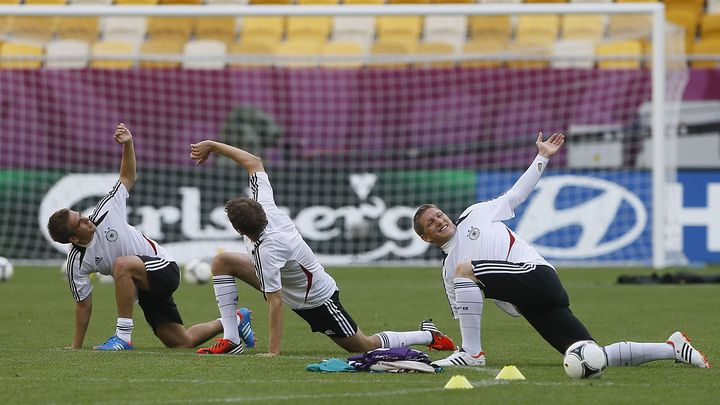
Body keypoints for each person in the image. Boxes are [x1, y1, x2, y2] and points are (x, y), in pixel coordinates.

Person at [413, 132, 711, 369]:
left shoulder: (474, 214)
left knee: (466, 269)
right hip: (530, 301)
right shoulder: (449, 271)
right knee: (589, 354)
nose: (439, 220)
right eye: (431, 222)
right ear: (426, 237)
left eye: (438, 215)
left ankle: (472, 355)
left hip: (538, 276)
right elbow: (470, 306)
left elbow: (516, 194)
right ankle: (672, 348)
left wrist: (541, 157)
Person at [190, 140, 456, 356]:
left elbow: (276, 302)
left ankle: (427, 334)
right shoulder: (265, 205)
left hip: (316, 299)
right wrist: (213, 145)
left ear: (238, 231)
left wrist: (273, 351)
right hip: (283, 281)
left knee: (364, 347)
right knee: (222, 262)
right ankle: (232, 338)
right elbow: (254, 162)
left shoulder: (268, 249)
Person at [47, 123, 254, 351]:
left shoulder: (105, 211)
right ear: (74, 239)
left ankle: (122, 337)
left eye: (81, 215)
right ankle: (235, 320)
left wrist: (128, 144)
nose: (87, 219)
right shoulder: (75, 263)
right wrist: (76, 346)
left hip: (164, 267)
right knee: (180, 343)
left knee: (121, 265)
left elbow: (127, 176)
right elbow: (83, 305)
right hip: (142, 287)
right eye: (80, 223)